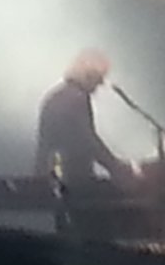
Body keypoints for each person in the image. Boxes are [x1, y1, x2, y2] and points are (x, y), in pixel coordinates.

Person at [35, 49, 130, 187]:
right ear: (89, 75)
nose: (101, 84)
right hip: (73, 181)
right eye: (99, 78)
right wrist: (118, 169)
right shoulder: (77, 98)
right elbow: (89, 141)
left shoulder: (55, 96)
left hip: (50, 178)